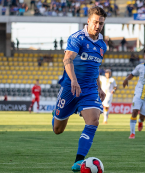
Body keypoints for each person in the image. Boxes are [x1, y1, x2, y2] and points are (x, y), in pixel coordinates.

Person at [51, 6, 107, 172]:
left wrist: (100, 87)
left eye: (101, 23)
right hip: (70, 88)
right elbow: (67, 59)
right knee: (58, 130)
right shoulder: (77, 38)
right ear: (88, 21)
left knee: (94, 121)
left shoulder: (102, 44)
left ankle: (79, 161)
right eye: (95, 22)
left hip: (89, 89)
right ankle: (58, 114)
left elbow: (95, 67)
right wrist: (74, 80)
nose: (98, 26)